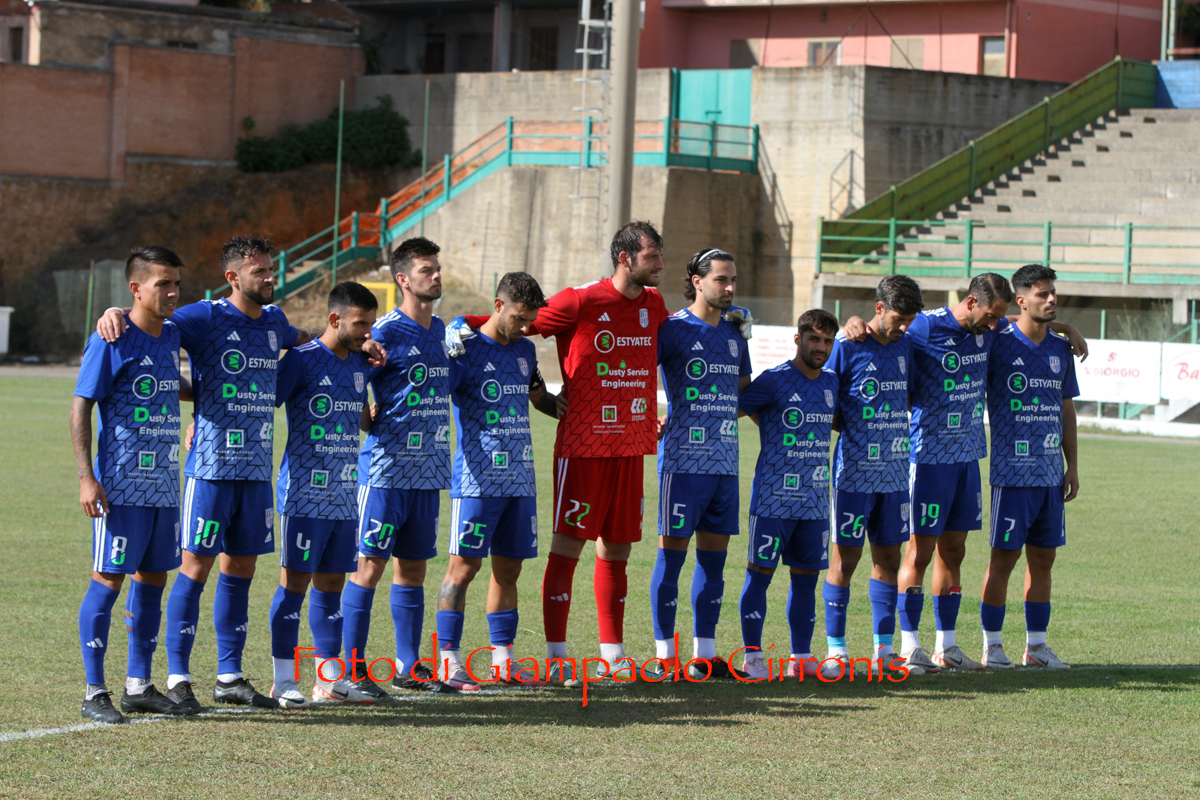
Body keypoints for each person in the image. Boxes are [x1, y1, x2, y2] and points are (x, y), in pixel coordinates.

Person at [96, 236, 385, 709]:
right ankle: (178, 678)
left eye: (271, 269)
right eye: (260, 272)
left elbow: (310, 337)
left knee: (241, 571)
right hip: (211, 468)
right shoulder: (204, 316)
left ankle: (229, 676)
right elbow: (150, 318)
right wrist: (114, 311)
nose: (270, 277)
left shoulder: (274, 321)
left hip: (255, 473)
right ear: (232, 277)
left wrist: (360, 338)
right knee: (194, 569)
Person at [73, 246, 195, 723]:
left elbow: (171, 383)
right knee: (108, 580)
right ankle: (94, 691)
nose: (173, 292)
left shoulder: (172, 334)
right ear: (136, 288)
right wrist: (87, 478)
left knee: (153, 580)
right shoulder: (111, 337)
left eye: (176, 283)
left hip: (164, 486)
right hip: (121, 486)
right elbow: (81, 406)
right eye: (163, 283)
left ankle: (138, 686)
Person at [434, 272, 563, 688]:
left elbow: (541, 399)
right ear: (498, 306)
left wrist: (584, 407)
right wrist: (448, 346)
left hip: (520, 481)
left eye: (530, 321)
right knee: (463, 568)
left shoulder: (525, 349)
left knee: (509, 571)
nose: (524, 328)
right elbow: (437, 394)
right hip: (477, 482)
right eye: (518, 318)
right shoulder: (464, 347)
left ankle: (503, 660)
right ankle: (448, 660)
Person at [349, 237, 454, 698]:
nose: (436, 275)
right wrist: (366, 420)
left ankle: (408, 666)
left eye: (437, 268)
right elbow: (351, 380)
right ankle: (352, 669)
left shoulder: (442, 329)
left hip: (429, 474)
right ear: (403, 279)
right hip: (386, 472)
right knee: (368, 568)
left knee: (413, 571)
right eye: (426, 270)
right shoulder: (385, 332)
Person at [267, 282, 376, 707]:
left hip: (345, 492)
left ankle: (329, 680)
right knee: (294, 584)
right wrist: (198, 424)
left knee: (332, 583)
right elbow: (261, 404)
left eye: (370, 324)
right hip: (303, 494)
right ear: (335, 319)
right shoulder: (301, 360)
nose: (367, 332)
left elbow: (361, 415)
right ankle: (283, 679)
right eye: (360, 324)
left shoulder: (361, 361)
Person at [649, 248, 752, 679]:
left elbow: (741, 391)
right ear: (697, 281)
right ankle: (664, 657)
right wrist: (653, 415)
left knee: (714, 564)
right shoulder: (672, 328)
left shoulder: (735, 333)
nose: (729, 288)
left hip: (725, 464)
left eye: (733, 280)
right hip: (682, 464)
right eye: (721, 279)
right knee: (671, 560)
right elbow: (638, 373)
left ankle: (703, 656)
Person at [979, 264, 1078, 670]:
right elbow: (981, 319)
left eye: (1053, 293)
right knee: (1003, 561)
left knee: (1044, 560)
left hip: (1051, 476)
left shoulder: (1060, 349)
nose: (1051, 299)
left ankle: (1036, 647)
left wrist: (1072, 466)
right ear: (1020, 300)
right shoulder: (996, 342)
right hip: (1011, 474)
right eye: (1042, 294)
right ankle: (992, 646)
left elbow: (1066, 409)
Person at [823, 275, 924, 676]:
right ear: (879, 308)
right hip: (853, 474)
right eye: (899, 319)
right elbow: (825, 403)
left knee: (888, 559)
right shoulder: (847, 347)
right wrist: (859, 428)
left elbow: (909, 397)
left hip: (896, 474)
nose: (904, 327)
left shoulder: (907, 346)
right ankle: (836, 651)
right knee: (844, 560)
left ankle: (884, 650)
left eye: (909, 320)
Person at [736, 310, 840, 681]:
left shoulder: (832, 382)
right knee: (759, 575)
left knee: (806, 580)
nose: (821, 347)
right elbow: (735, 407)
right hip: (772, 499)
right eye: (814, 339)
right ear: (798, 339)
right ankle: (752, 656)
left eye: (827, 341)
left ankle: (801, 657)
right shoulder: (775, 379)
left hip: (815, 502)